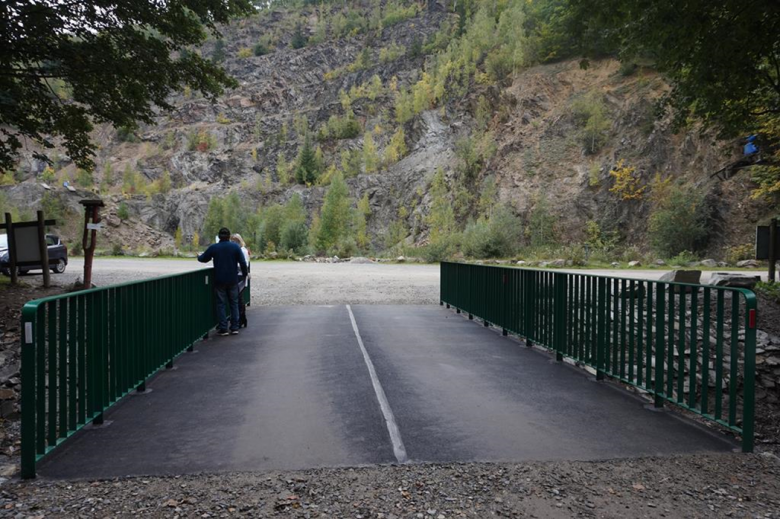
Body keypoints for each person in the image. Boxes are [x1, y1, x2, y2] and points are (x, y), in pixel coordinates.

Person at [197, 227, 248, 336]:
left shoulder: (214, 248)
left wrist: (198, 256)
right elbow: (243, 263)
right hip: (233, 280)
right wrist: (245, 275)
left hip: (219, 280)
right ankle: (234, 327)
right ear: (229, 236)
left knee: (221, 304)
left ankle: (223, 328)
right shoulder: (235, 247)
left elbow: (203, 259)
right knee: (234, 303)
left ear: (219, 237)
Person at [231, 233, 250, 328]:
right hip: (241, 275)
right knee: (239, 297)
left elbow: (244, 264)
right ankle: (242, 319)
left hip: (240, 275)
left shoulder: (242, 251)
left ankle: (241, 319)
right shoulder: (242, 250)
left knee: (238, 298)